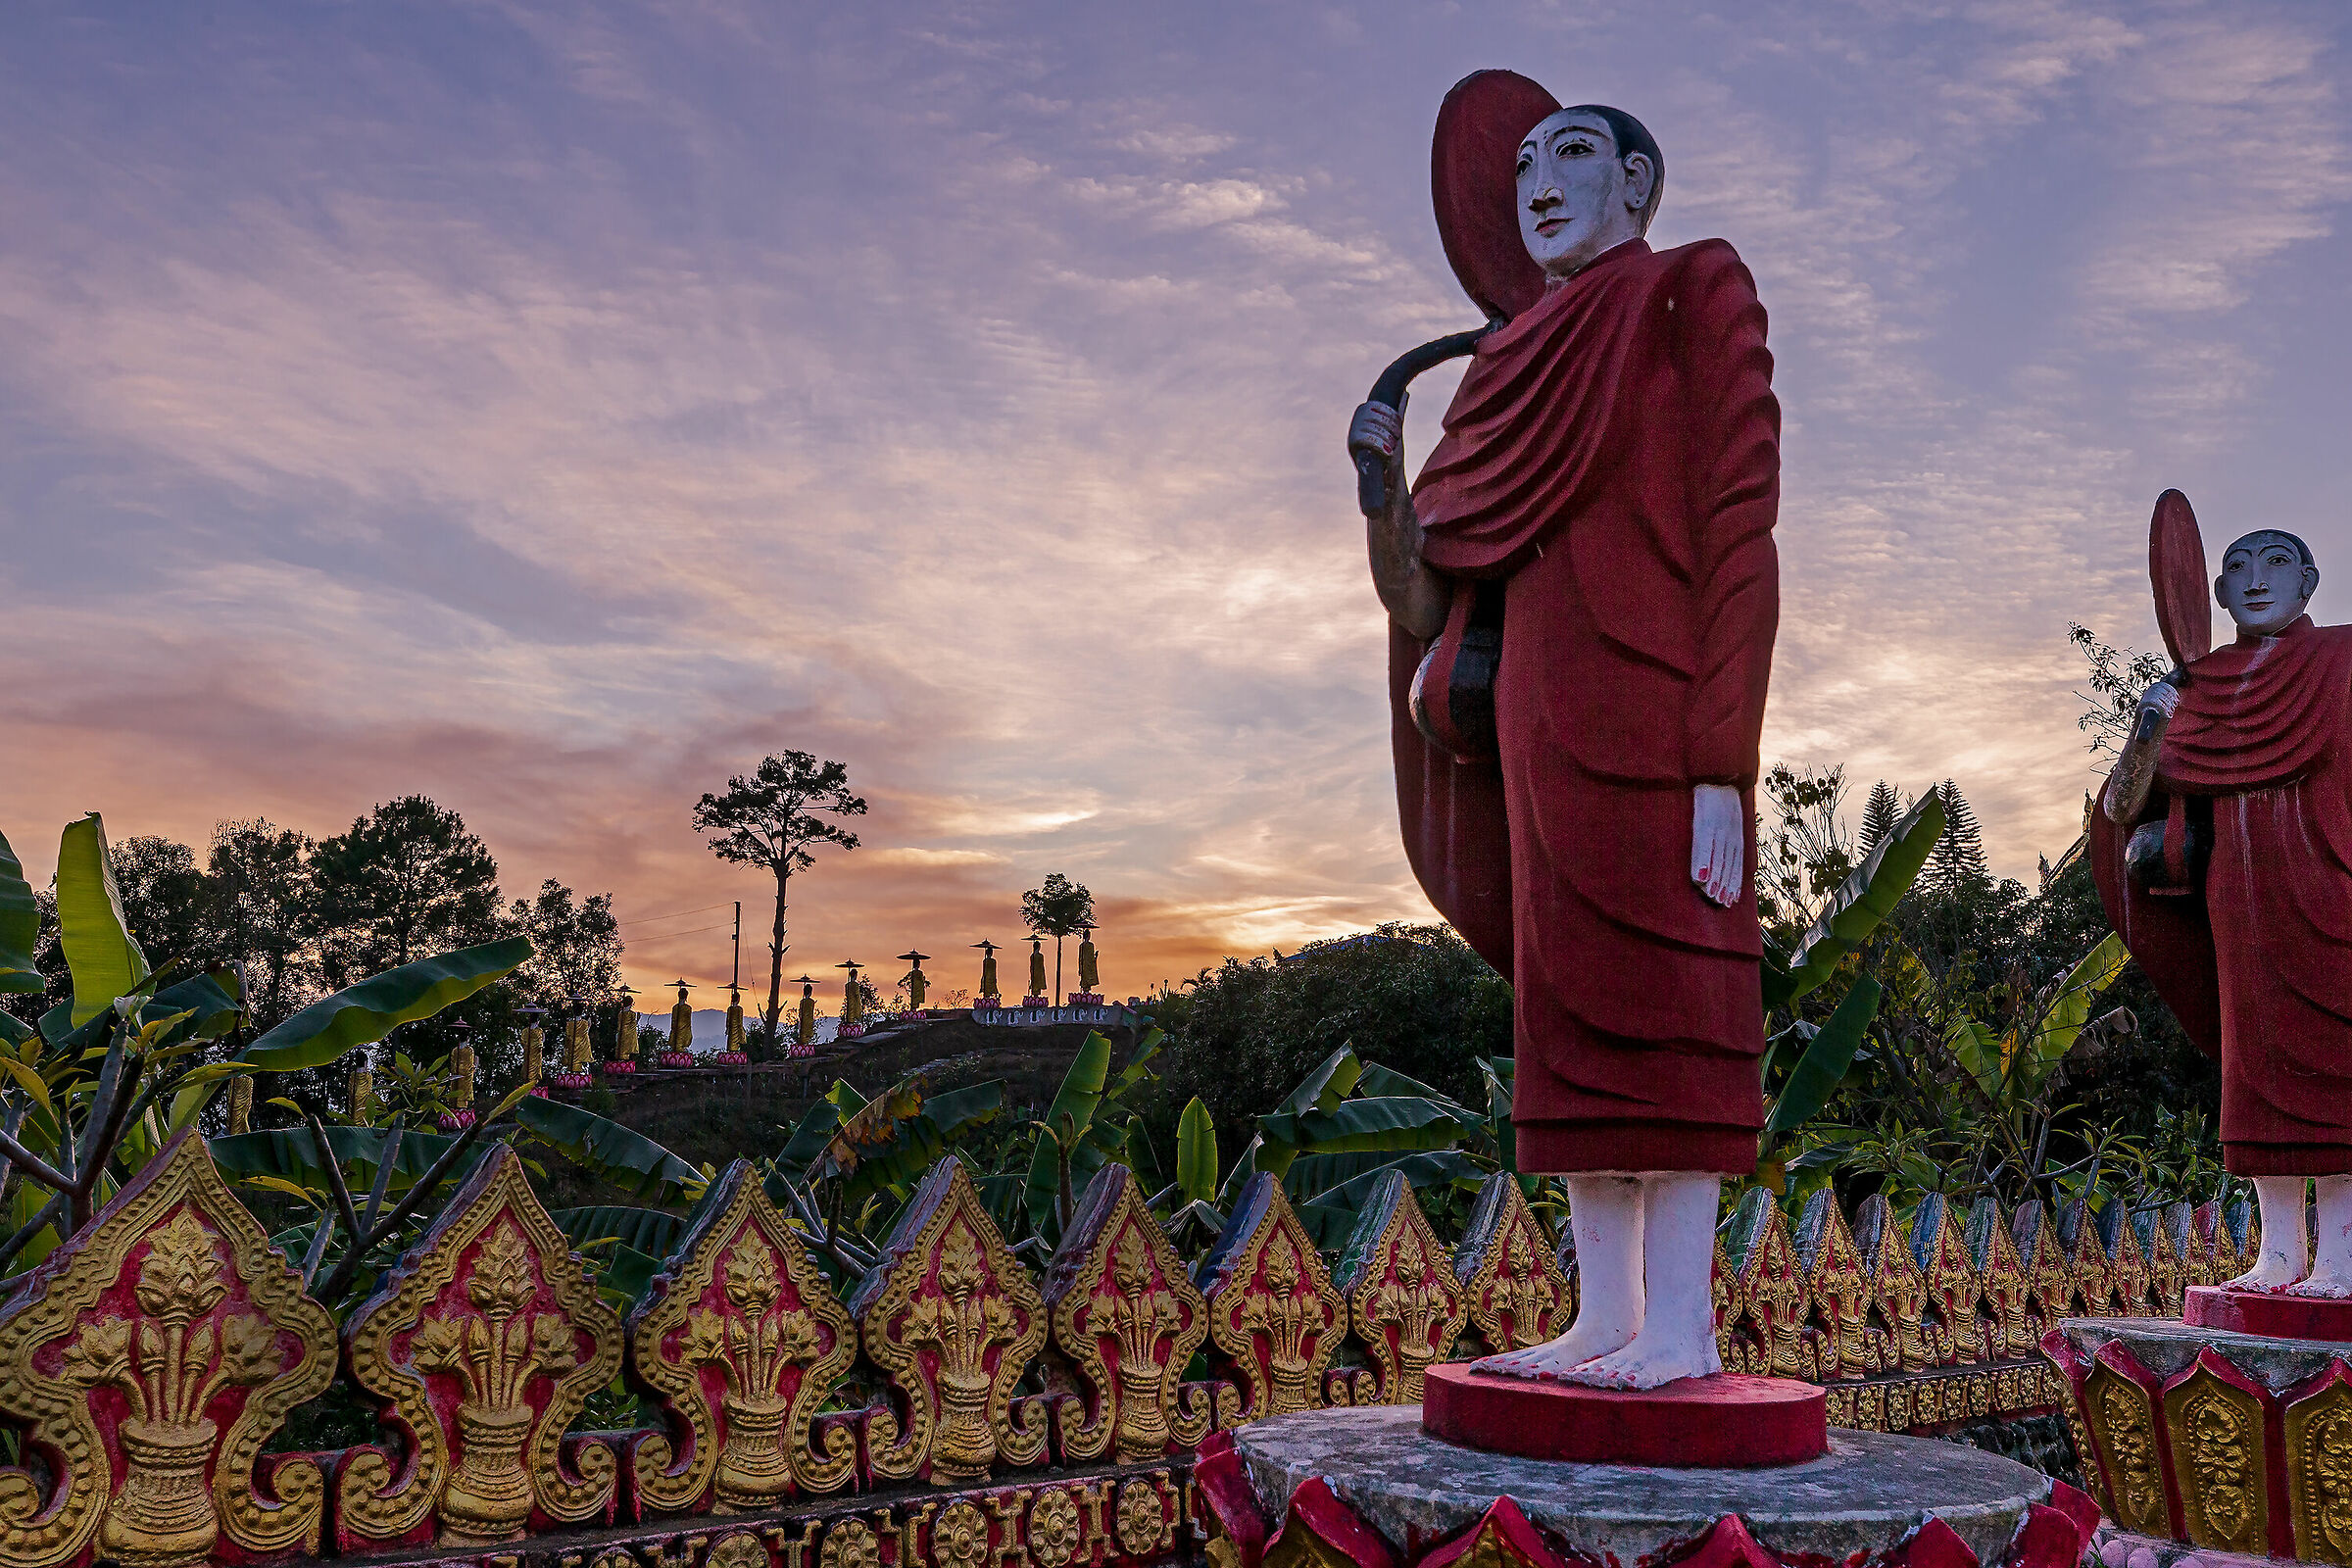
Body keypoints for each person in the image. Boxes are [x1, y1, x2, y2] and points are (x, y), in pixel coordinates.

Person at [1348, 88, 1778, 1388]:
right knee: (1574, 1013)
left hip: (1658, 702)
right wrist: (1383, 491)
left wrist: (1722, 763)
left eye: (1574, 155)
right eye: (1524, 165)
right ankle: (1603, 1318)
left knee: (1677, 995)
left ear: (1638, 185)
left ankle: (1683, 1330)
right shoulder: (1501, 362)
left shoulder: (1693, 288)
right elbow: (1426, 598)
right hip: (1537, 723)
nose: (1540, 182)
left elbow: (1741, 533)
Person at [2097, 529, 2352, 1296]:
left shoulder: (2342, 659)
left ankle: (2341, 1257)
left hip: (2335, 880)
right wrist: (2149, 725)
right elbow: (2119, 807)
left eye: (2276, 564)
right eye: (2236, 569)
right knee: (2258, 1068)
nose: (2256, 580)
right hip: (2243, 903)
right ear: (2216, 596)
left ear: (2309, 580)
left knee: (2338, 1066)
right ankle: (2279, 1254)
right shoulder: (2197, 687)